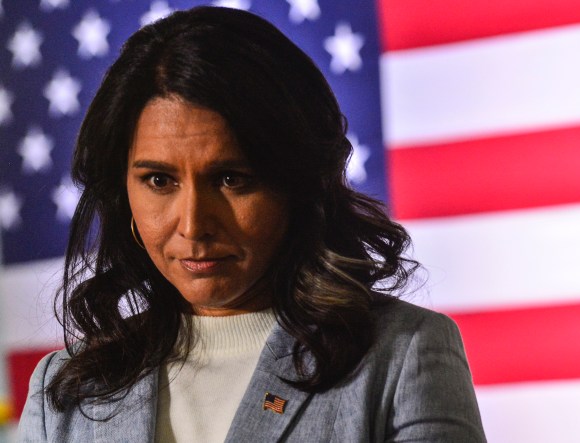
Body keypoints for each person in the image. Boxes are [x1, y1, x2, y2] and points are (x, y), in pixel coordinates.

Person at [17, 6, 485, 442]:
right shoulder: (64, 391)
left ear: (298, 184)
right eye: (158, 180)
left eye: (231, 179)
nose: (194, 224)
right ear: (123, 194)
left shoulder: (404, 355)